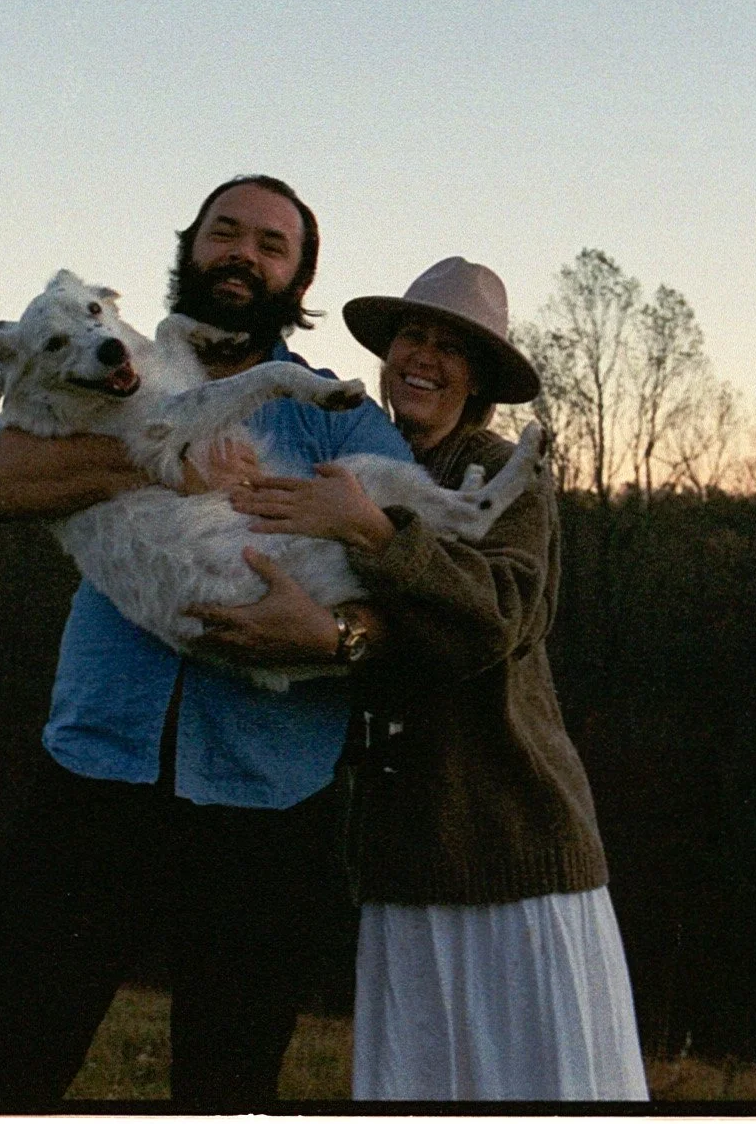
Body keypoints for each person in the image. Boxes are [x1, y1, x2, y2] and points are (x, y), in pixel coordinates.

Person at [0, 175, 415, 1110]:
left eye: (272, 245)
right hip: (93, 778)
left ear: (300, 278)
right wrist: (152, 450)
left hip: (270, 802)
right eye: (223, 233)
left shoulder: (341, 414)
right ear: (187, 250)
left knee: (227, 1087)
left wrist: (335, 634)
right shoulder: (101, 373)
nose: (243, 254)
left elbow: (415, 588)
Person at [187, 255, 650, 1101]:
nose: (424, 357)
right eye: (413, 335)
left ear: (479, 378)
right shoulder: (353, 453)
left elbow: (498, 619)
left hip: (512, 843)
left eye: (451, 346)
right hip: (401, 863)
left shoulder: (508, 477)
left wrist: (370, 537)